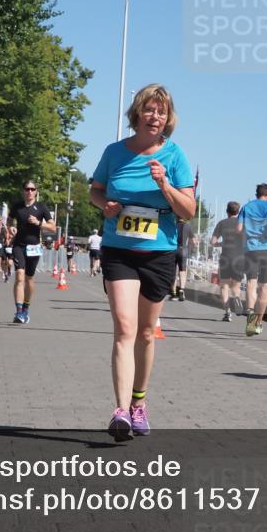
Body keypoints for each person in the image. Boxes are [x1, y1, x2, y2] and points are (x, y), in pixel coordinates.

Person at [90, 84, 195, 441]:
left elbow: (189, 211)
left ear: (168, 119)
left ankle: (138, 403)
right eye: (149, 110)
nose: (155, 117)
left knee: (147, 334)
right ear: (137, 114)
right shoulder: (114, 152)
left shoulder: (175, 156)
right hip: (119, 249)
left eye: (161, 112)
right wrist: (103, 205)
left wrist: (165, 186)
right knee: (124, 327)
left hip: (159, 251)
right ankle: (119, 411)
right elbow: (95, 190)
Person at [238, 184, 267, 336]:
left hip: (250, 249)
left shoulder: (246, 207)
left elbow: (238, 229)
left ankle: (250, 321)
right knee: (263, 286)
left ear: (256, 194)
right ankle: (258, 323)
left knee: (250, 283)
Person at [10, 180, 58, 324]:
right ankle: (18, 312)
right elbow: (10, 219)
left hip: (34, 247)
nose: (29, 191)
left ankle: (25, 307)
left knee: (29, 278)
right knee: (19, 276)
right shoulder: (17, 206)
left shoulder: (41, 207)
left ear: (36, 191)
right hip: (18, 245)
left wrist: (39, 223)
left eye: (32, 189)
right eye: (27, 189)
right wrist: (10, 227)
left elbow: (53, 227)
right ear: (23, 191)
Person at [210, 201, 245, 321]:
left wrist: (221, 243)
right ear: (238, 211)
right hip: (240, 258)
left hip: (226, 257)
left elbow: (213, 242)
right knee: (236, 286)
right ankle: (236, 298)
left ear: (227, 211)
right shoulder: (243, 224)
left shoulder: (221, 223)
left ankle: (227, 312)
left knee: (224, 285)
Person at [171, 218, 196, 300]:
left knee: (173, 271)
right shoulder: (188, 226)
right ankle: (181, 290)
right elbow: (193, 241)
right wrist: (191, 248)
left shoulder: (173, 225)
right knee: (182, 271)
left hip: (173, 249)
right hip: (183, 250)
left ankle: (173, 293)